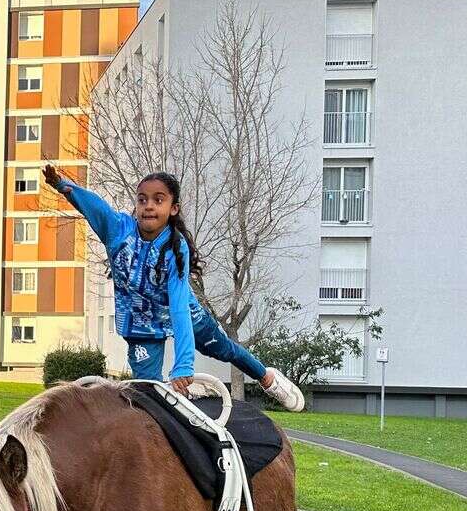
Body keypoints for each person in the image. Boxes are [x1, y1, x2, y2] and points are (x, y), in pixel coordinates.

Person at [43, 164, 304, 411]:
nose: (148, 206)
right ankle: (180, 403)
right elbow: (96, 207)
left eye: (158, 200)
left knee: (224, 348)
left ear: (174, 208)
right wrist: (64, 186)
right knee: (147, 391)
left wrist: (183, 366)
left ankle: (267, 377)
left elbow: (179, 308)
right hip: (141, 323)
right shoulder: (118, 230)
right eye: (142, 199)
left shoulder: (175, 248)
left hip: (184, 314)